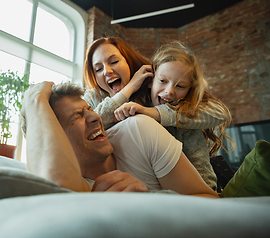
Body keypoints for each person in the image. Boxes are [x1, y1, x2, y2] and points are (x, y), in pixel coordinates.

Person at [20, 81, 219, 198]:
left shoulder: (138, 130)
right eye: (77, 116)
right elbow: (57, 193)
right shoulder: (68, 183)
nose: (95, 117)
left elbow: (209, 200)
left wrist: (148, 206)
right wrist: (34, 100)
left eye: (89, 109)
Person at [83, 37, 233, 190]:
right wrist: (129, 88)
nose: (107, 71)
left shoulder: (160, 99)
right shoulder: (94, 99)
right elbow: (90, 126)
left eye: (114, 62)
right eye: (98, 69)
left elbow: (219, 113)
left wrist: (154, 113)